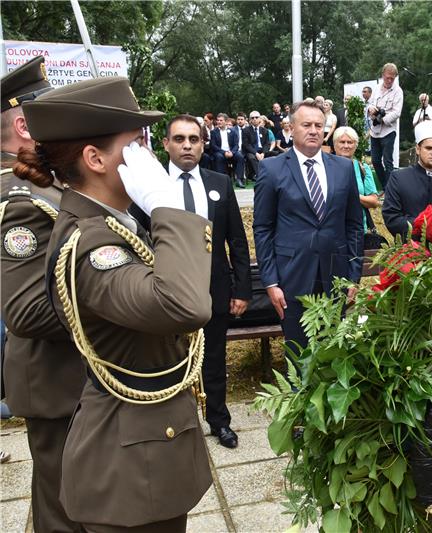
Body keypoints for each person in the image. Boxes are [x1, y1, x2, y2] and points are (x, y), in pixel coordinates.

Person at [17, 76, 213, 532]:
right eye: (135, 144)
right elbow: (185, 305)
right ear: (95, 158)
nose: (146, 155)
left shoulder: (111, 224)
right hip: (131, 471)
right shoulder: (91, 244)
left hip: (147, 449)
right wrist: (168, 204)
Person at [131, 114, 252, 450]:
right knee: (168, 357)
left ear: (203, 143)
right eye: (179, 139)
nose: (187, 145)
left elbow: (237, 242)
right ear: (166, 144)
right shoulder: (151, 188)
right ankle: (174, 424)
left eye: (194, 139)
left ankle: (218, 420)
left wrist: (241, 289)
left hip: (213, 289)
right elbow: (138, 241)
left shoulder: (219, 183)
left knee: (214, 356)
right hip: (165, 290)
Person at [0, 56, 84, 533]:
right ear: (23, 124)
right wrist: (117, 307)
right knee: (61, 510)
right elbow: (28, 310)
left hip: (64, 378)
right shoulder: (19, 197)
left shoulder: (39, 183)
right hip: (55, 381)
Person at [253, 101, 362, 355]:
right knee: (299, 356)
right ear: (291, 129)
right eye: (306, 125)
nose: (313, 130)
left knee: (334, 354)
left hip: (336, 276)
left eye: (318, 125)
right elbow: (262, 228)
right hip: (292, 277)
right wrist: (270, 281)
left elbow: (354, 225)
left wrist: (353, 276)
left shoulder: (344, 168)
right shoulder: (272, 169)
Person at [382, 120, 432, 237]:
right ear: (418, 149)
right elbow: (391, 218)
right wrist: (424, 226)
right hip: (408, 249)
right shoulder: (398, 178)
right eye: (429, 148)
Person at [332, 126, 380, 239]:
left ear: (356, 145)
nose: (346, 146)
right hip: (331, 229)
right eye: (342, 142)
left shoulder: (363, 168)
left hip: (357, 231)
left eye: (350, 142)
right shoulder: (325, 166)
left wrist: (352, 196)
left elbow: (373, 201)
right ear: (334, 144)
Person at [368, 63, 403, 189]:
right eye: (387, 77)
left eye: (392, 78)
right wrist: (371, 110)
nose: (389, 80)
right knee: (375, 161)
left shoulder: (398, 91)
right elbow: (370, 103)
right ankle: (384, 186)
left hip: (388, 130)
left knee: (388, 161)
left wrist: (382, 118)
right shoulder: (376, 88)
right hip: (374, 130)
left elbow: (397, 112)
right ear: (383, 75)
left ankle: (389, 190)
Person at [210, 112, 245, 187]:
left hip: (231, 152)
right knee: (219, 157)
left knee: (240, 156)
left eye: (221, 120)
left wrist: (232, 152)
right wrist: (224, 152)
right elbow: (213, 146)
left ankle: (239, 179)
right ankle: (222, 180)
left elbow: (236, 145)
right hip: (219, 152)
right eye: (218, 120)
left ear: (226, 122)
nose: (219, 122)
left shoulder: (232, 131)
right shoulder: (213, 132)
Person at [242, 110, 274, 179]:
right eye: (252, 118)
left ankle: (275, 175)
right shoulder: (246, 130)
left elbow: (267, 144)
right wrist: (256, 153)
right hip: (252, 152)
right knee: (252, 157)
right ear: (250, 120)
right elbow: (247, 145)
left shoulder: (264, 130)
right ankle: (260, 176)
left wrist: (263, 153)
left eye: (256, 117)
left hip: (262, 151)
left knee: (277, 154)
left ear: (259, 119)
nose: (255, 119)